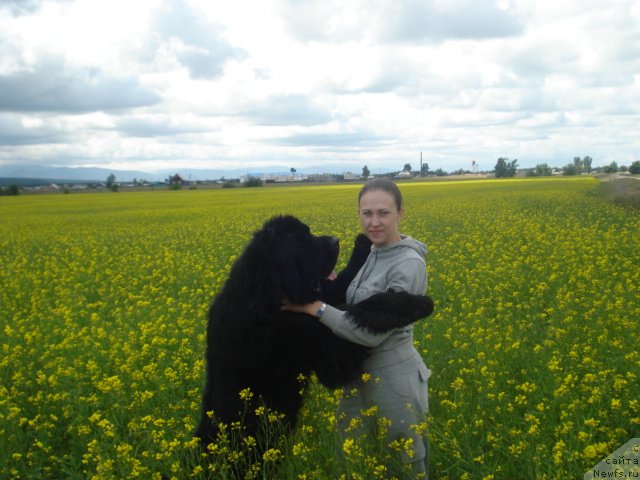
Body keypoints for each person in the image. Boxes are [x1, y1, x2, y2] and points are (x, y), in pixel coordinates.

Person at [282, 177, 431, 478]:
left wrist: (314, 308)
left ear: (400, 214)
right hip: (356, 375)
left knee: (401, 466)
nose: (374, 222)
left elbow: (370, 331)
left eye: (383, 213)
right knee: (350, 462)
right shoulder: (372, 252)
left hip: (393, 379)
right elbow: (355, 303)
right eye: (367, 213)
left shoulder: (408, 264)